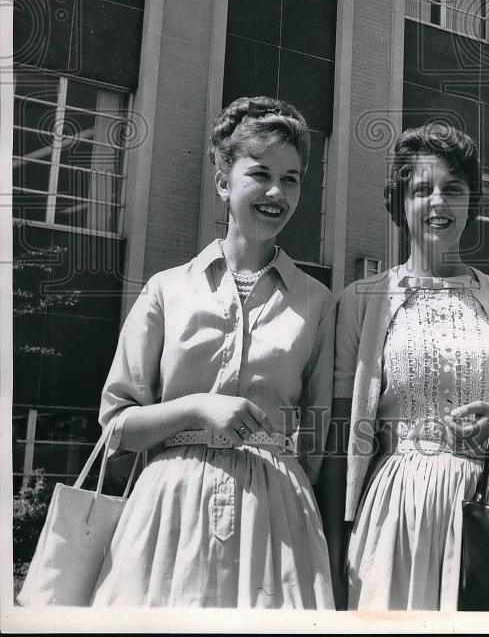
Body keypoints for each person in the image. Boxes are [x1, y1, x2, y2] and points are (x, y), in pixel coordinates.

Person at [90, 96, 336, 608]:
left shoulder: (316, 302)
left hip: (276, 519)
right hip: (167, 511)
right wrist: (198, 407)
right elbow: (116, 426)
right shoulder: (166, 289)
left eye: (291, 178)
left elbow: (317, 437)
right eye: (260, 173)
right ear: (224, 182)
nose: (276, 192)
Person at [319, 122, 489, 611]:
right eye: (421, 189)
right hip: (396, 515)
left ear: (471, 201)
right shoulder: (360, 302)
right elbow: (336, 440)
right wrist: (331, 548)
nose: (438, 202)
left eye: (453, 188)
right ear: (400, 204)